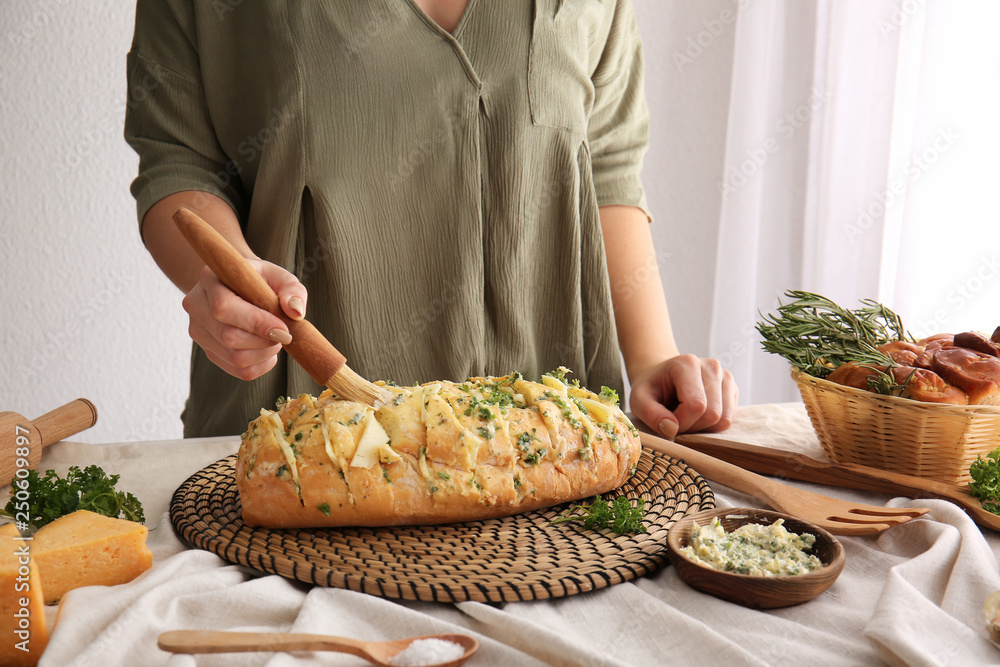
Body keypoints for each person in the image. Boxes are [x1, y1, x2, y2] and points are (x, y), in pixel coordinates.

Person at [126, 0, 738, 440]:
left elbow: (603, 164)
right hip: (295, 448)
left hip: (552, 451)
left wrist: (654, 360)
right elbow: (179, 162)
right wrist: (230, 279)